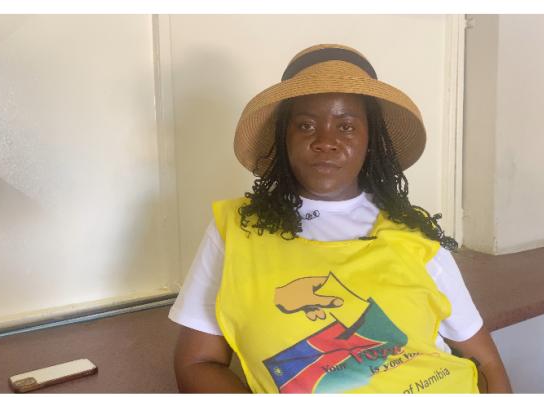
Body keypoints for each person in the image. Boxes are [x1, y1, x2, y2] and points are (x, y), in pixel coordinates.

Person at [169, 44, 512, 393]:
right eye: (305, 125)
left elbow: (486, 362)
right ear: (283, 139)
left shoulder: (415, 234)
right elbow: (196, 363)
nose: (326, 141)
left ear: (371, 141)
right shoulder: (236, 230)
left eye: (346, 126)